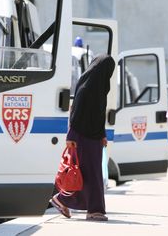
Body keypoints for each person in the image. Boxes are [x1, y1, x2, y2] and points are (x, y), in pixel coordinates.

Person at [51, 54, 115, 221]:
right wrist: (71, 135)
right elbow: (76, 112)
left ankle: (63, 200)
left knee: (88, 174)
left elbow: (99, 115)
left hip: (93, 136)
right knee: (89, 174)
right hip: (81, 136)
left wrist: (102, 135)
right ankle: (94, 210)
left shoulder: (98, 87)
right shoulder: (87, 88)